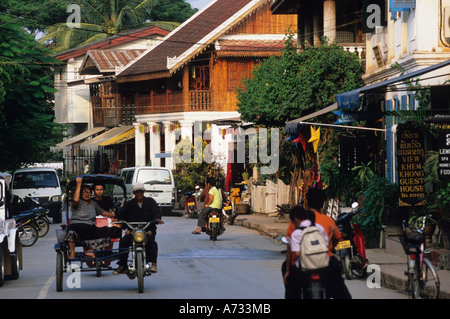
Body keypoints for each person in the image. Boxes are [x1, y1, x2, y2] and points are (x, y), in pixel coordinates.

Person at [304, 187, 351, 299]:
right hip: (326, 262)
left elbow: (292, 243)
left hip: (305, 263)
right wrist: (331, 247)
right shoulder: (327, 220)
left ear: (307, 201)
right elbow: (337, 238)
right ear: (322, 204)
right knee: (341, 292)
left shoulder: (298, 220)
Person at [114, 182, 163, 275]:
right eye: (137, 192)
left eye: (140, 191)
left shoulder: (151, 202)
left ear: (144, 191)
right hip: (133, 230)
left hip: (147, 229)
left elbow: (157, 213)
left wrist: (157, 219)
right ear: (133, 193)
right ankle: (122, 265)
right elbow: (122, 214)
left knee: (152, 243)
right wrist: (119, 220)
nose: (139, 194)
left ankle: (153, 264)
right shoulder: (129, 204)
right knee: (123, 241)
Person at [65, 177, 115, 259]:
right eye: (84, 192)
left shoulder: (93, 203)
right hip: (78, 226)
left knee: (109, 230)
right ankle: (72, 253)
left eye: (89, 192)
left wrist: (113, 215)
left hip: (90, 227)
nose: (87, 194)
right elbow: (76, 199)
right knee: (72, 232)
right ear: (80, 193)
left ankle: (94, 251)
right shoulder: (77, 202)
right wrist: (78, 184)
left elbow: (102, 212)